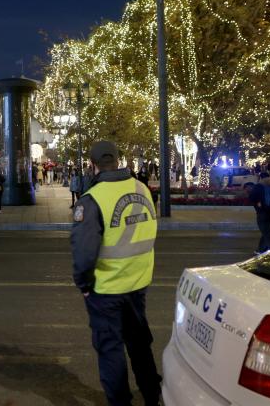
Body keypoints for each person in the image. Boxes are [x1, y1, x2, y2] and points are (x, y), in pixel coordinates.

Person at [70, 141, 161, 406]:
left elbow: (83, 252)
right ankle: (152, 395)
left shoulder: (92, 199)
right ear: (118, 160)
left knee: (111, 350)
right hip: (138, 283)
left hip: (106, 289)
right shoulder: (141, 188)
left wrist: (84, 285)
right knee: (140, 344)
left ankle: (121, 402)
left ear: (92, 164)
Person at [249, 172, 270, 254]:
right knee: (266, 231)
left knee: (266, 233)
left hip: (262, 212)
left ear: (261, 178)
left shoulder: (259, 186)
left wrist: (258, 204)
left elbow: (251, 197)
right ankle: (261, 249)